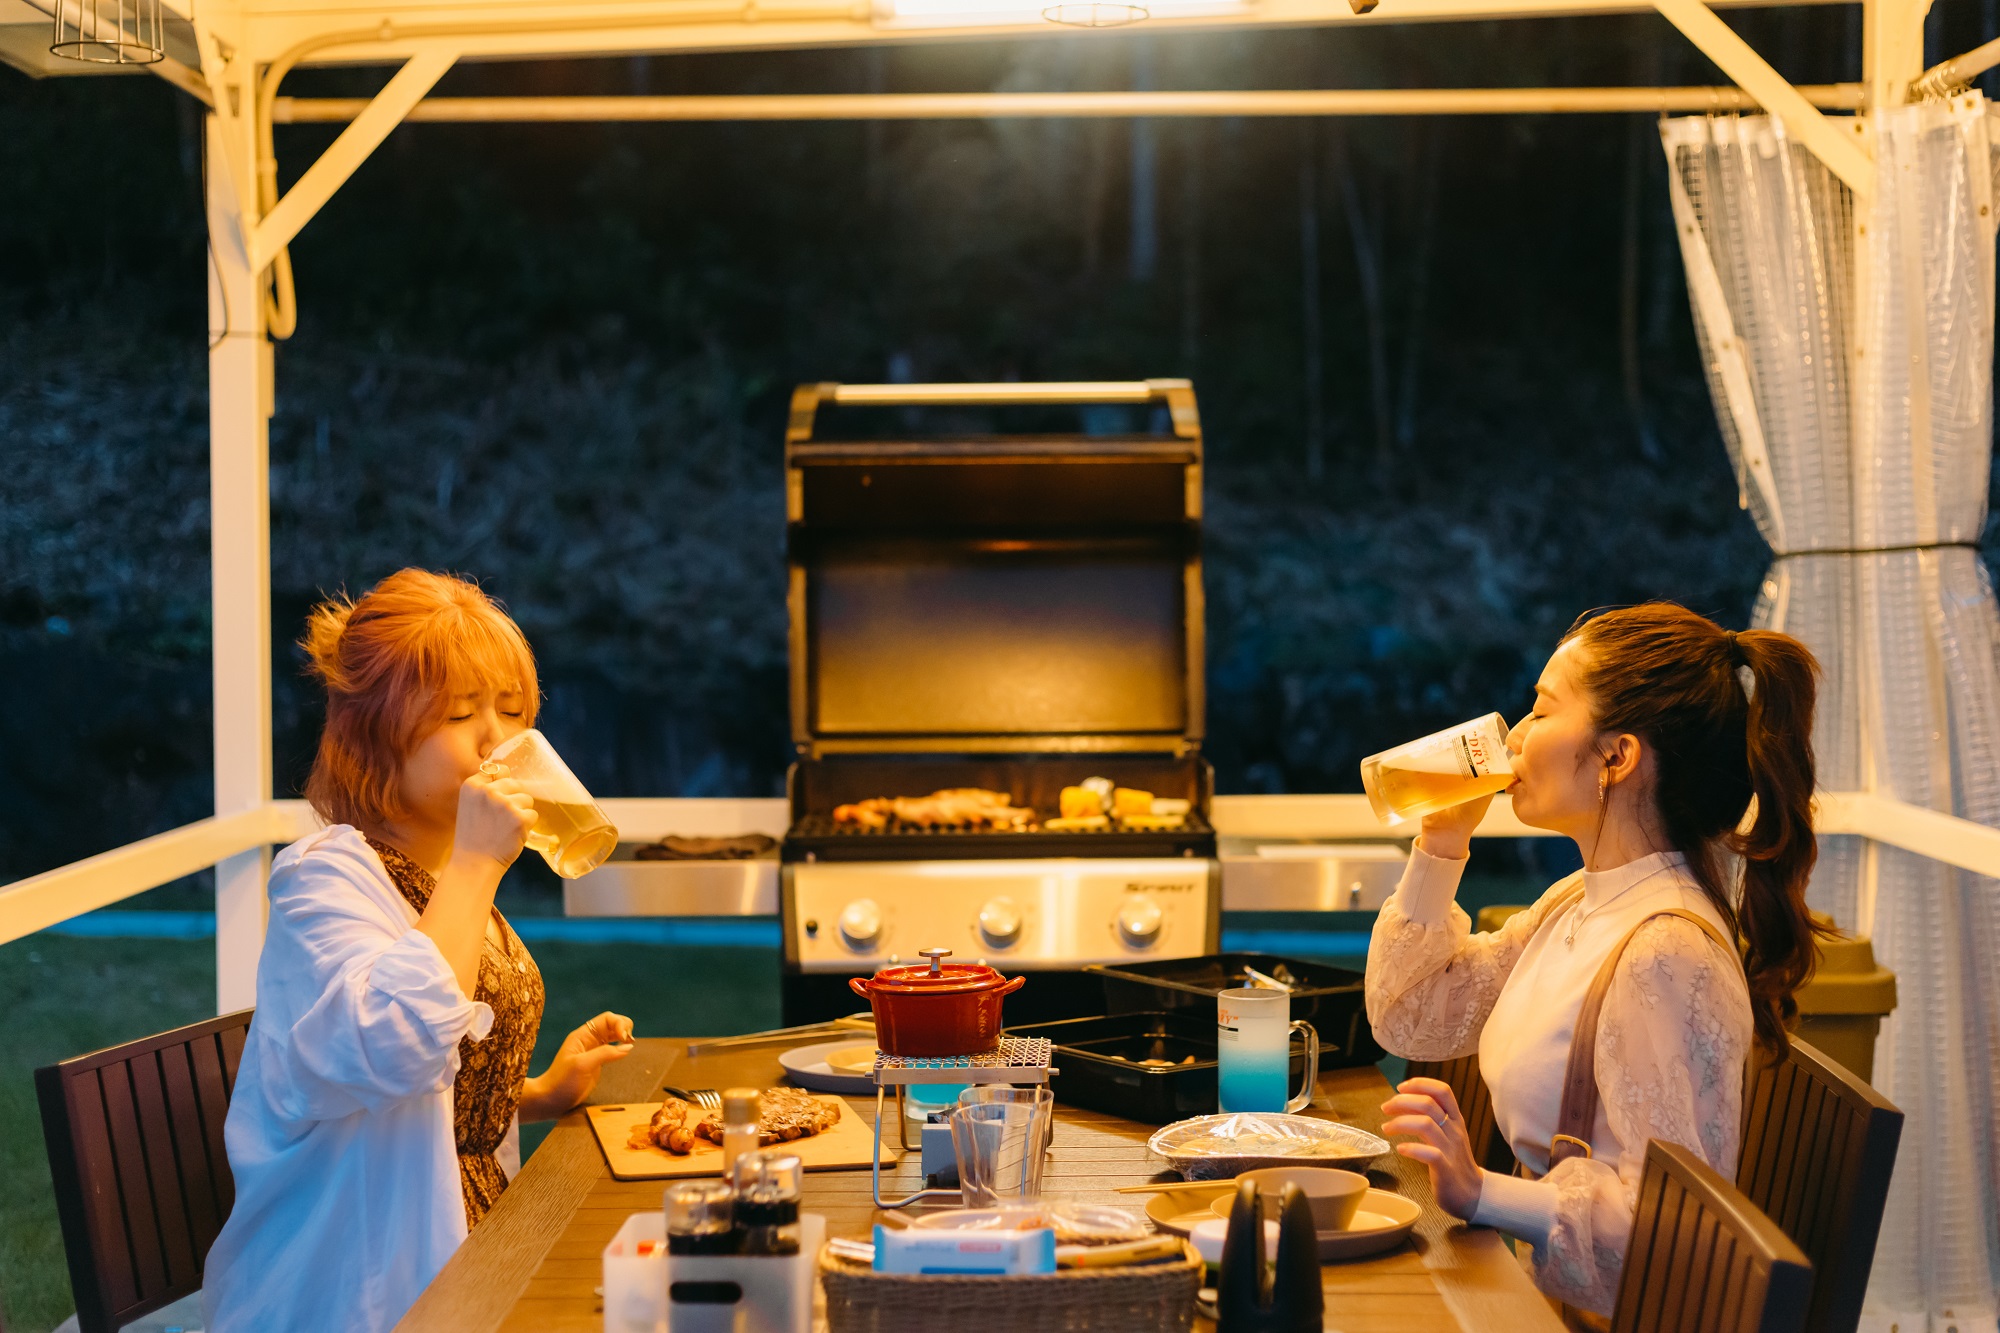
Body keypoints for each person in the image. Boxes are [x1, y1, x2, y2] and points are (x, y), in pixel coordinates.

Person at [1365, 602, 1825, 1321]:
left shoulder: (1664, 951)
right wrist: (1440, 842)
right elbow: (1414, 1016)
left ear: (1618, 755)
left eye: (1542, 711)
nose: (1515, 736)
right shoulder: (1581, 898)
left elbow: (1668, 1231)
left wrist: (1479, 1189)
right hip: (1526, 1287)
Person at [204, 569, 636, 1333]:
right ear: (375, 734)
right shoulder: (324, 878)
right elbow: (390, 1045)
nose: (500, 741)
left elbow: (436, 1086)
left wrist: (534, 1093)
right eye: (461, 714)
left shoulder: (445, 873)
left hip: (481, 1237)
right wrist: (475, 864)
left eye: (512, 711)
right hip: (364, 1291)